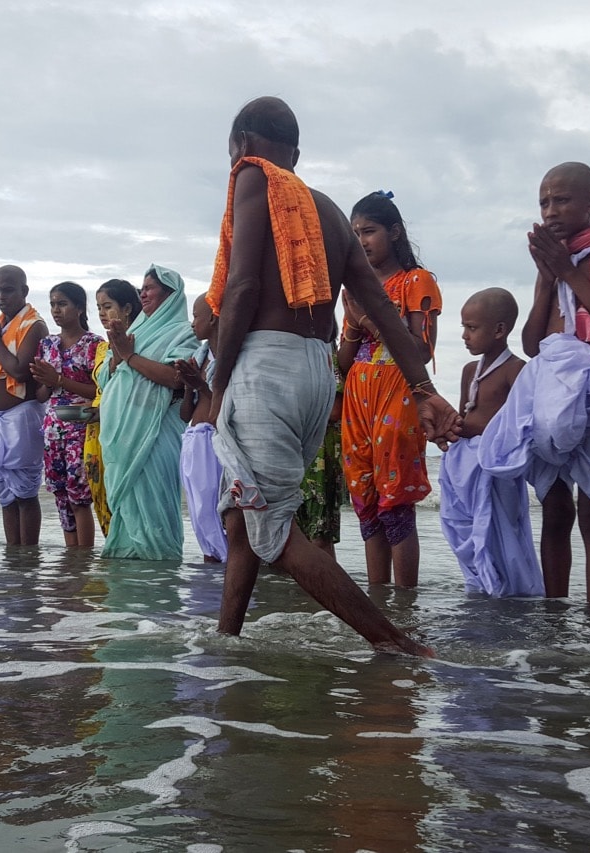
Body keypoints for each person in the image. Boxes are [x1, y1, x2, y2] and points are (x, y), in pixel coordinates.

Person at [207, 96, 461, 656]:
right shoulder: (326, 210)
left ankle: (394, 642)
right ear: (294, 152)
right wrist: (424, 389)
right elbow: (384, 311)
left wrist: (218, 381)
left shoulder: (252, 179)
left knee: (274, 530)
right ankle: (225, 639)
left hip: (264, 368)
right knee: (243, 513)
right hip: (315, 372)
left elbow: (242, 287)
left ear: (242, 146)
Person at [482, 162, 590, 603]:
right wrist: (548, 279)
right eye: (544, 202)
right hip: (547, 382)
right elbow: (533, 342)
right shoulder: (552, 261)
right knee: (554, 509)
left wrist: (568, 273)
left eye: (562, 200)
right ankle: (555, 610)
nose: (551, 211)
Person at [338, 191, 442, 588]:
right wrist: (352, 322)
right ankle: (377, 597)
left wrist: (370, 322)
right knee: (366, 502)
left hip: (398, 394)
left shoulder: (417, 281)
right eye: (355, 233)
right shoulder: (354, 288)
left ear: (394, 232)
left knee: (395, 500)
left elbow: (420, 349)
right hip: (358, 397)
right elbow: (346, 360)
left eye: (370, 231)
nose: (361, 240)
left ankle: (404, 601)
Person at [438, 290, 543, 596]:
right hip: (464, 469)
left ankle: (510, 592)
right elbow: (463, 415)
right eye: (463, 328)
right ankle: (480, 586)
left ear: (499, 330)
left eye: (472, 328)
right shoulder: (469, 370)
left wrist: (469, 428)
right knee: (466, 530)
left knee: (501, 534)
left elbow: (516, 425)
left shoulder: (516, 370)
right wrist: (448, 429)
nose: (464, 336)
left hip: (495, 470)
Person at [98, 265, 199, 560]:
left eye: (150, 288)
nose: (143, 293)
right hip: (122, 438)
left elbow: (175, 378)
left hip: (156, 436)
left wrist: (129, 355)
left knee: (154, 512)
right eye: (141, 288)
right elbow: (108, 379)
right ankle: (131, 592)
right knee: (126, 512)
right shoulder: (133, 330)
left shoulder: (183, 332)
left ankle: (161, 583)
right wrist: (118, 351)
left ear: (170, 295)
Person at [0, 264, 48, 546]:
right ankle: (14, 555)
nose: (0, 296)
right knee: (4, 494)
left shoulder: (34, 325)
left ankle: (28, 557)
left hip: (21, 416)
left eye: (8, 290)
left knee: (25, 494)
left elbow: (18, 371)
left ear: (24, 291)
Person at [31, 282, 103, 547]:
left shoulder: (94, 345)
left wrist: (59, 379)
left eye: (62, 304)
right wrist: (48, 382)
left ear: (79, 307)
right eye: (52, 304)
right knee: (60, 495)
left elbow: (99, 389)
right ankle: (71, 557)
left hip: (82, 429)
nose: (56, 310)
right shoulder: (46, 345)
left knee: (80, 496)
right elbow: (40, 395)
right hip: (53, 429)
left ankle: (83, 559)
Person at [84, 279, 141, 538]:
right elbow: (103, 385)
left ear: (127, 308)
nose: (102, 314)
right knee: (102, 497)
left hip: (127, 428)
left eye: (108, 306)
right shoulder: (103, 348)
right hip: (97, 431)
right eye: (98, 308)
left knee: (129, 498)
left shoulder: (140, 340)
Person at [177, 293, 227, 563]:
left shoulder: (229, 357)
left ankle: (228, 572)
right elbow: (187, 412)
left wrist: (200, 385)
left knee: (217, 512)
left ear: (213, 317)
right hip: (193, 440)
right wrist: (188, 386)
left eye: (196, 316)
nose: (192, 323)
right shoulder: (200, 355)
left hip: (215, 442)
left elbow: (220, 408)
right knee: (200, 515)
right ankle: (210, 581)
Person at [294, 347, 345, 558]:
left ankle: (322, 590)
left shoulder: (325, 354)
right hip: (295, 453)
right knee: (291, 535)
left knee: (318, 535)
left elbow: (335, 410)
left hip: (320, 456)